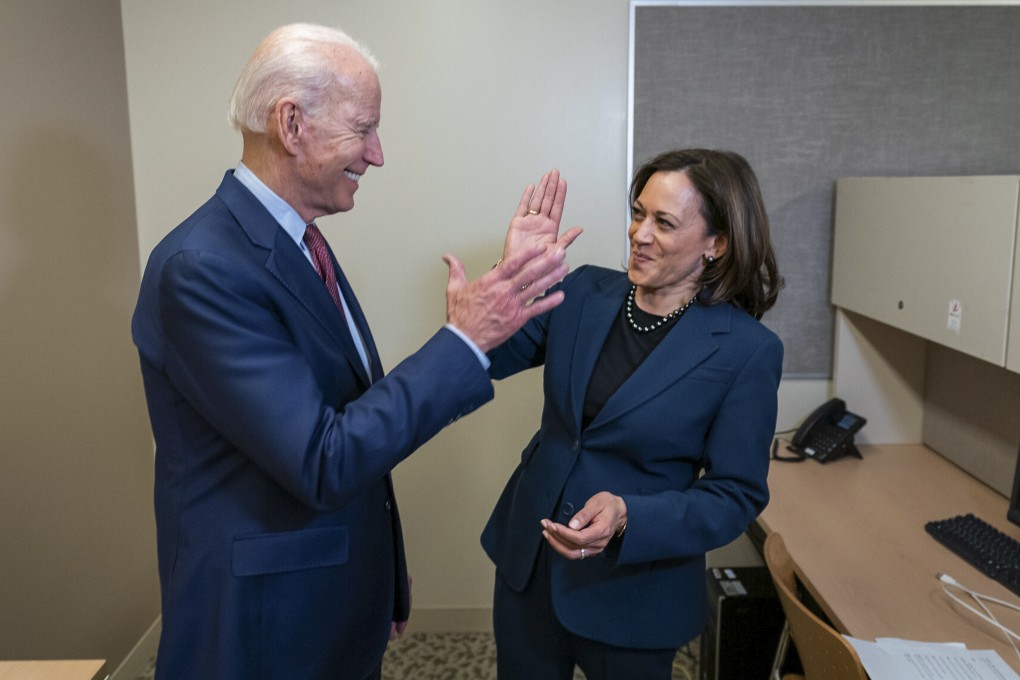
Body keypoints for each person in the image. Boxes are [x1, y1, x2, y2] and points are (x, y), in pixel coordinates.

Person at [131, 23, 579, 680]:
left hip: (324, 599)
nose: (377, 154)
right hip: (259, 624)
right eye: (363, 128)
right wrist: (463, 339)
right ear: (292, 124)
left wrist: (380, 580)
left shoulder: (296, 240)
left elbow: (346, 417)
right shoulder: (203, 267)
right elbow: (323, 460)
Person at [481, 148, 784, 679]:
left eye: (664, 222)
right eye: (639, 212)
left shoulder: (745, 350)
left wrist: (629, 516)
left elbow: (736, 494)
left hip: (634, 591)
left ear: (717, 244)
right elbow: (486, 358)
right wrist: (511, 277)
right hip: (530, 563)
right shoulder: (582, 292)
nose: (639, 233)